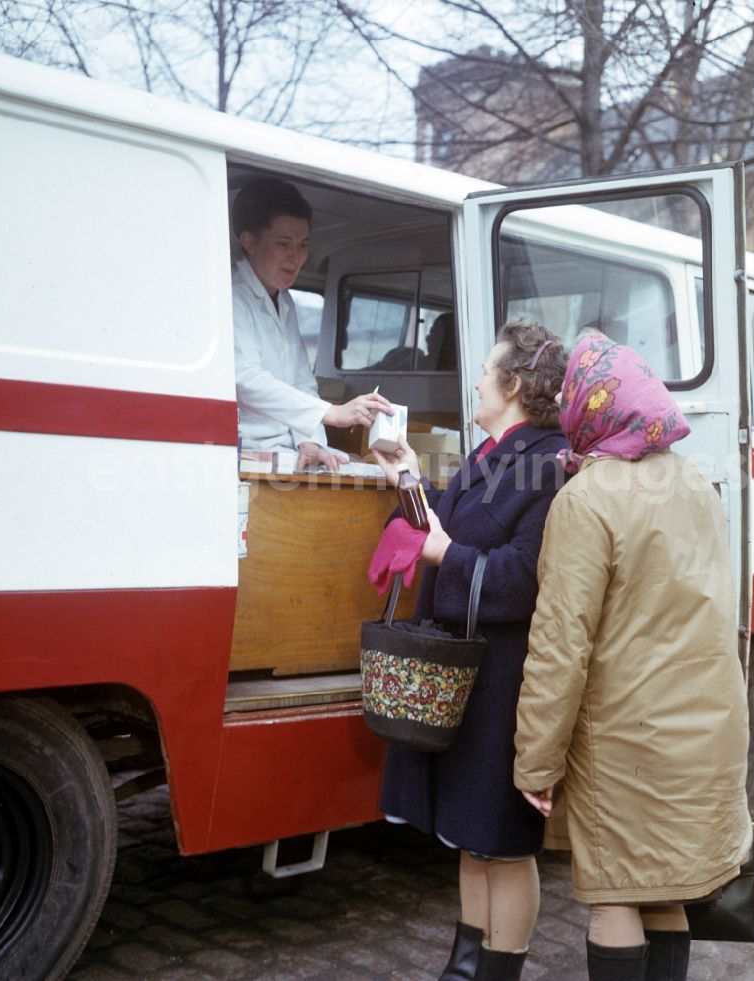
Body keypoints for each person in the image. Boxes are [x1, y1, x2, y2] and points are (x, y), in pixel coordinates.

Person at [513, 332, 752, 981]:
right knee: (666, 886)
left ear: (591, 409)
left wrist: (536, 759)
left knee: (615, 891)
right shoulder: (698, 484)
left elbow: (560, 643)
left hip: (627, 740)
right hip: (705, 730)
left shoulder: (586, 499)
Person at [371, 320, 568, 981]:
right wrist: (406, 475)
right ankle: (464, 967)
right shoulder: (490, 453)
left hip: (506, 683)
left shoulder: (548, 462)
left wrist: (446, 553)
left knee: (504, 843)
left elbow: (523, 576)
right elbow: (444, 529)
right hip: (468, 675)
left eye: (487, 369)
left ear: (512, 384)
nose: (477, 379)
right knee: (469, 833)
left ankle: (496, 972)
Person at [231, 177, 392, 471]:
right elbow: (245, 380)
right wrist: (330, 412)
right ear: (249, 241)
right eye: (284, 244)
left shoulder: (285, 300)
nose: (296, 257)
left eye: (303, 245)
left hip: (287, 450)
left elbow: (301, 381)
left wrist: (310, 441)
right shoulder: (231, 296)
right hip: (248, 453)